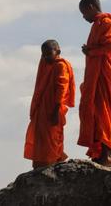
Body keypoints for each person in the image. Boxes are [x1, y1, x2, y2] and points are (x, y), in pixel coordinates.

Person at [77, 0, 111, 167]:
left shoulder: (105, 22)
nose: (84, 17)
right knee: (100, 114)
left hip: (105, 76)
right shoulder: (97, 24)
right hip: (99, 77)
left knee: (103, 114)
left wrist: (91, 52)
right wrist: (90, 50)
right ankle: (109, 153)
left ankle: (107, 155)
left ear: (91, 7)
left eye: (84, 13)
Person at [24, 39, 76, 169]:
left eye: (48, 54)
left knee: (52, 140)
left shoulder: (60, 66)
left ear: (58, 51)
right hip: (43, 110)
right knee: (42, 140)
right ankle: (42, 165)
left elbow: (61, 89)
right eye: (43, 55)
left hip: (53, 110)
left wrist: (55, 111)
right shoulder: (47, 67)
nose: (45, 57)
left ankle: (51, 164)